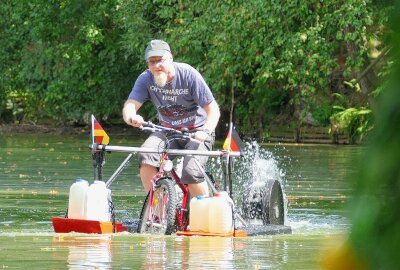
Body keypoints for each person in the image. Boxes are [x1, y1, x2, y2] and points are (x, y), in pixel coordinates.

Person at [122, 39, 220, 197]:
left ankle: (202, 213)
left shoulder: (188, 74)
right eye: (151, 62)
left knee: (191, 171)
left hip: (198, 132)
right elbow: (130, 105)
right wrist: (131, 116)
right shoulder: (145, 78)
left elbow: (213, 110)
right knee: (146, 156)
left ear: (170, 59)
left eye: (159, 60)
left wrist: (205, 131)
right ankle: (158, 213)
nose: (156, 66)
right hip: (168, 131)